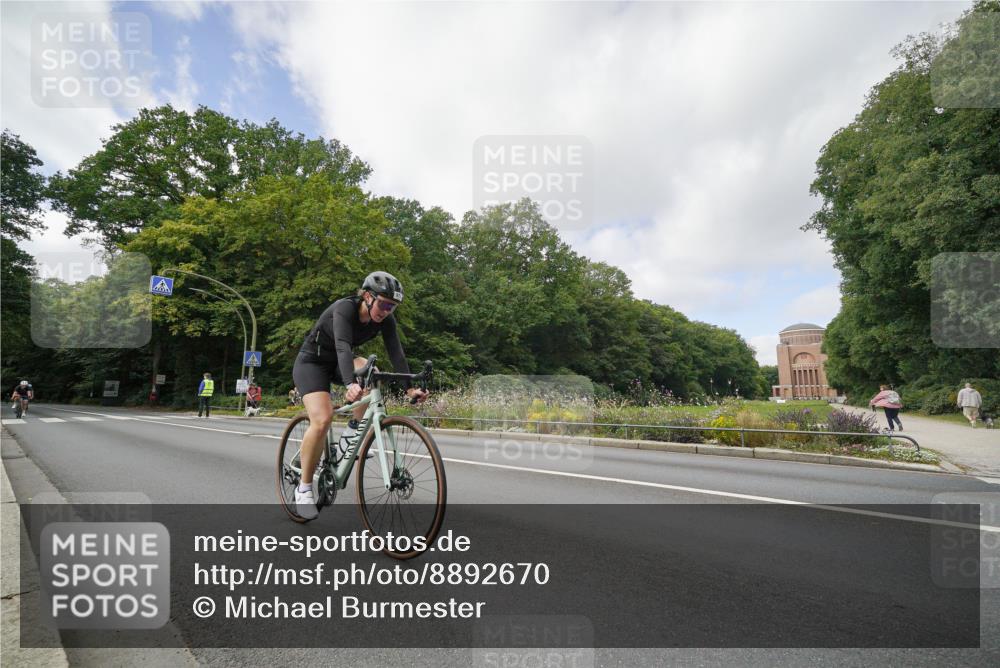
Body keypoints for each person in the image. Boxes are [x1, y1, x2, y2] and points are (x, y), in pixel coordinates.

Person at [291, 271, 429, 519]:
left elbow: (397, 353)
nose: (387, 311)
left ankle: (352, 431)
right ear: (367, 296)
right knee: (322, 419)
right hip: (312, 363)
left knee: (371, 370)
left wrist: (410, 388)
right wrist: (349, 384)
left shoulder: (385, 320)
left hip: (337, 363)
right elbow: (342, 346)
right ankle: (304, 488)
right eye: (384, 304)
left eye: (392, 307)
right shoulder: (345, 309)